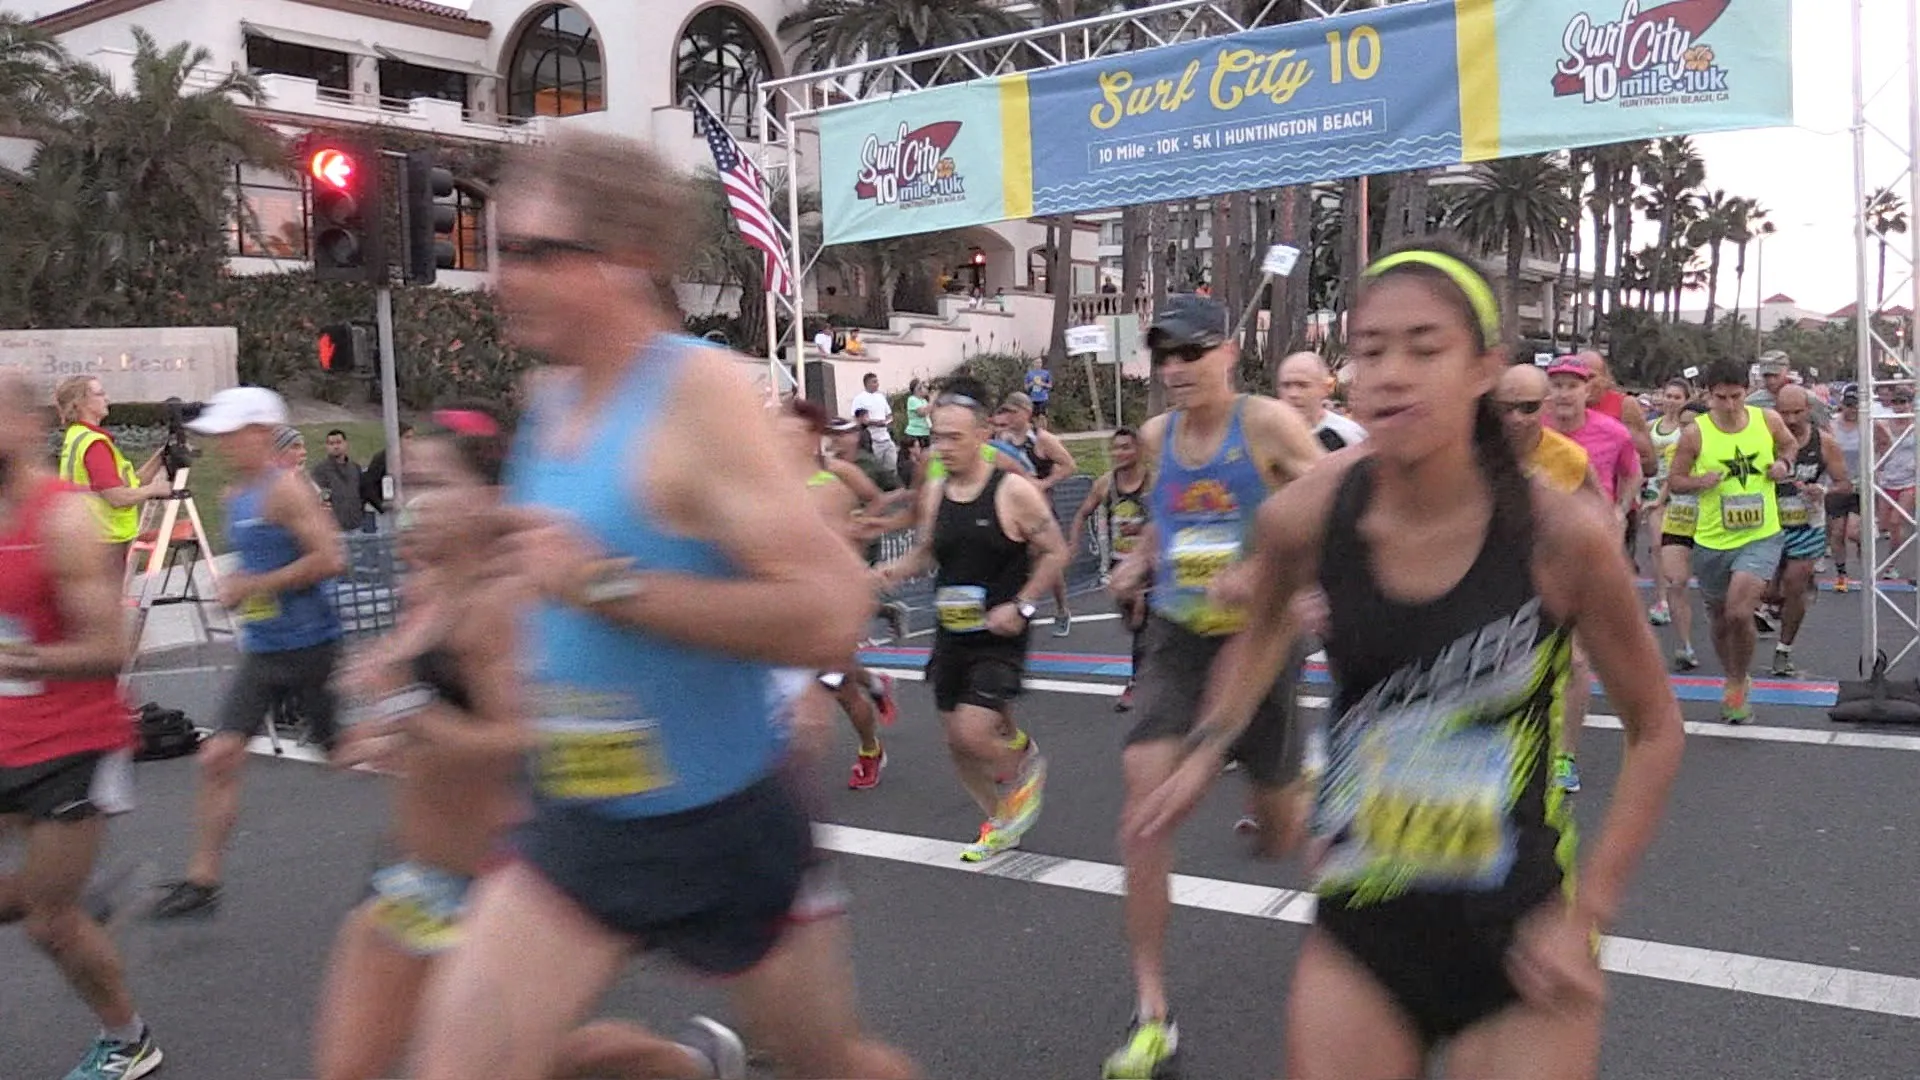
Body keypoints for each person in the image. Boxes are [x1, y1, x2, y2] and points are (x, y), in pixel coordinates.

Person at [407, 130, 916, 1080]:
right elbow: (554, 572)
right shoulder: (552, 397)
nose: (498, 277)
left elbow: (831, 607)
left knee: (830, 1065)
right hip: (581, 821)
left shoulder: (699, 396)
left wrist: (607, 585)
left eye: (532, 253)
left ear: (627, 257)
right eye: (494, 246)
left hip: (719, 822)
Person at [1129, 247, 1684, 1080]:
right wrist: (1210, 744)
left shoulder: (1560, 537)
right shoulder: (1308, 514)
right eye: (1371, 349)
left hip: (1517, 940)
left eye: (1425, 349)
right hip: (1364, 930)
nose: (1390, 374)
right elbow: (1263, 626)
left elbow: (1655, 730)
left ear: (1482, 370)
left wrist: (1589, 912)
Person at [1101, 294, 1324, 1079]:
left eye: (1190, 354)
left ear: (1229, 352)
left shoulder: (1266, 426)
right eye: (1164, 357)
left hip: (1258, 643)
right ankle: (1151, 1010)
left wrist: (1267, 570)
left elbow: (1333, 501)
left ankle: (1289, 791)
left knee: (1279, 836)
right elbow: (1168, 516)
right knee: (1144, 810)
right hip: (1175, 636)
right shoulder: (1160, 436)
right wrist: (1140, 559)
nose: (1174, 370)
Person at [0, 374, 164, 1080]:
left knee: (48, 922)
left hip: (74, 739)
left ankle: (130, 1041)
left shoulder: (63, 519)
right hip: (7, 731)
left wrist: (20, 655)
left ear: (29, 426)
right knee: (38, 902)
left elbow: (110, 647)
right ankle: (78, 889)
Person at [150, 387, 348, 918]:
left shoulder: (288, 491)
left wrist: (258, 584)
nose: (219, 446)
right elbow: (258, 564)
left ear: (260, 433)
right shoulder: (232, 496)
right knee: (218, 755)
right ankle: (202, 881)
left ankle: (445, 807)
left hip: (312, 646)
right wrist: (240, 584)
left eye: (230, 435)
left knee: (344, 753)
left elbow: (332, 558)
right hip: (264, 652)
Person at [875, 380, 1067, 861]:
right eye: (937, 437)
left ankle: (1027, 766)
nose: (943, 447)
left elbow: (1055, 552)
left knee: (972, 732)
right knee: (957, 745)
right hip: (951, 633)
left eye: (954, 438)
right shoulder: (937, 490)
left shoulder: (1013, 491)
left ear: (983, 434)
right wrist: (893, 571)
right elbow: (926, 553)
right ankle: (1001, 818)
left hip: (999, 634)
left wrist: (1022, 604)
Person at [1668, 361, 1797, 724]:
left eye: (1736, 396)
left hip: (1761, 533)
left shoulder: (1766, 420)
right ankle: (1732, 675)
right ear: (1708, 395)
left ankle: (1738, 683)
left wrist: (1784, 465)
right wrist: (1700, 482)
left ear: (1747, 390)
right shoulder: (1695, 433)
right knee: (1721, 617)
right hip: (1711, 538)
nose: (1729, 405)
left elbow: (1789, 446)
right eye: (1720, 397)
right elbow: (1676, 480)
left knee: (1740, 611)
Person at [1769, 384, 1850, 677]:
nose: (1790, 420)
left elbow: (1845, 484)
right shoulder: (1766, 439)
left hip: (1806, 525)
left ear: (1808, 410)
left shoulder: (1824, 442)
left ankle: (1783, 650)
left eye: (1797, 412)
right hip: (1768, 525)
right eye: (1784, 413)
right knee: (1765, 591)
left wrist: (1823, 490)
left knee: (1794, 585)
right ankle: (1776, 601)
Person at [1068, 428, 1151, 711]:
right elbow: (1082, 512)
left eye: (1126, 447)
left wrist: (1142, 527)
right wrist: (1073, 544)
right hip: (1119, 563)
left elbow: (1171, 516)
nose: (1120, 454)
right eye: (1116, 448)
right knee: (1133, 622)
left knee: (1145, 624)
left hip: (1150, 563)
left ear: (1139, 450)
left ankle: (1137, 683)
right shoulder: (1106, 484)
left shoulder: (1153, 482)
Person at [52, 375, 170, 559]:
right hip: (103, 541)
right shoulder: (94, 444)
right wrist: (154, 489)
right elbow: (117, 497)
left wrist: (162, 455)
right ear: (80, 403)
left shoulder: (78, 436)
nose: (107, 399)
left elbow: (131, 483)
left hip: (87, 537)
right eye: (100, 394)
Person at [996, 391, 1079, 635]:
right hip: (1011, 509)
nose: (1009, 417)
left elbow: (1069, 465)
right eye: (1006, 412)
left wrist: (1045, 483)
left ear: (1027, 413)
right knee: (1013, 559)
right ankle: (1019, 609)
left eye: (1013, 412)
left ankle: (1062, 609)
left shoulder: (1042, 440)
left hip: (1040, 509)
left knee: (1046, 558)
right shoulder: (1003, 439)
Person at [1645, 382, 1704, 671]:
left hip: (1707, 513)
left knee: (1716, 587)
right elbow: (1660, 470)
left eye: (1676, 397)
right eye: (1667, 395)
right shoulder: (1653, 427)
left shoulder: (1708, 440)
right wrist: (1654, 497)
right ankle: (1684, 644)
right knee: (1674, 575)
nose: (1671, 401)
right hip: (1671, 505)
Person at [1827, 386, 1879, 591]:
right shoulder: (1832, 425)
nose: (1852, 409)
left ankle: (1866, 567)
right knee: (1837, 533)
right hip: (1838, 484)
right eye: (1848, 405)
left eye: (1855, 405)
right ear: (1842, 405)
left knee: (1854, 532)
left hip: (1860, 486)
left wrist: (1876, 467)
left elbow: (1885, 443)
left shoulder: (1869, 425)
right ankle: (1842, 574)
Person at [1278, 351, 1367, 451]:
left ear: (1324, 389)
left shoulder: (1348, 436)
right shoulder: (1264, 436)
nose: (1293, 394)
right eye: (1286, 385)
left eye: (1302, 385)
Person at [312, 428, 367, 532]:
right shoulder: (320, 471)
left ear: (345, 444)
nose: (335, 446)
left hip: (357, 525)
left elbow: (362, 493)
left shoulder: (355, 468)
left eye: (338, 442)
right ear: (326, 446)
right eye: (331, 443)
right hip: (333, 529)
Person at [360, 420, 415, 522]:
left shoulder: (413, 458)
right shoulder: (382, 459)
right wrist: (382, 506)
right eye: (407, 438)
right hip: (388, 513)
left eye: (412, 438)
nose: (411, 442)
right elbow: (368, 486)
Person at [849, 372, 897, 474]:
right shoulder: (860, 399)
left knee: (891, 468)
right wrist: (876, 423)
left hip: (886, 438)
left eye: (877, 381)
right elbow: (859, 419)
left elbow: (889, 415)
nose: (877, 384)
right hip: (873, 441)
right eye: (874, 382)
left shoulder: (881, 397)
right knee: (876, 470)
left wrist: (887, 422)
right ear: (867, 383)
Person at [1023, 357, 1054, 427]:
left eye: (1040, 362)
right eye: (1037, 362)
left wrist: (1042, 384)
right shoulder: (1029, 374)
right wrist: (1032, 383)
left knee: (1042, 416)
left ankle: (1044, 432)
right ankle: (1038, 432)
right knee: (1034, 417)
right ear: (1033, 363)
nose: (1038, 364)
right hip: (1033, 398)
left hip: (1043, 398)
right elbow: (1025, 387)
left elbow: (1050, 386)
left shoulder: (1046, 373)